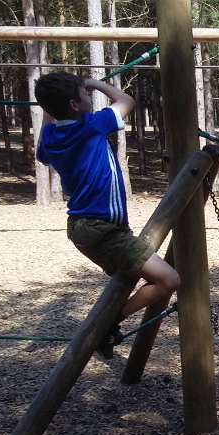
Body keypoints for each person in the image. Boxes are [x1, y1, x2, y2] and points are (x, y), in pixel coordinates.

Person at [35, 71, 180, 359]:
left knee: (132, 274)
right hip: (102, 230)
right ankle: (108, 325)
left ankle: (108, 323)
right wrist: (93, 82)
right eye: (86, 95)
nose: (90, 96)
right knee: (169, 280)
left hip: (85, 227)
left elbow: (41, 152)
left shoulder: (51, 137)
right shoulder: (92, 125)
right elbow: (126, 99)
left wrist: (51, 108)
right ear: (75, 104)